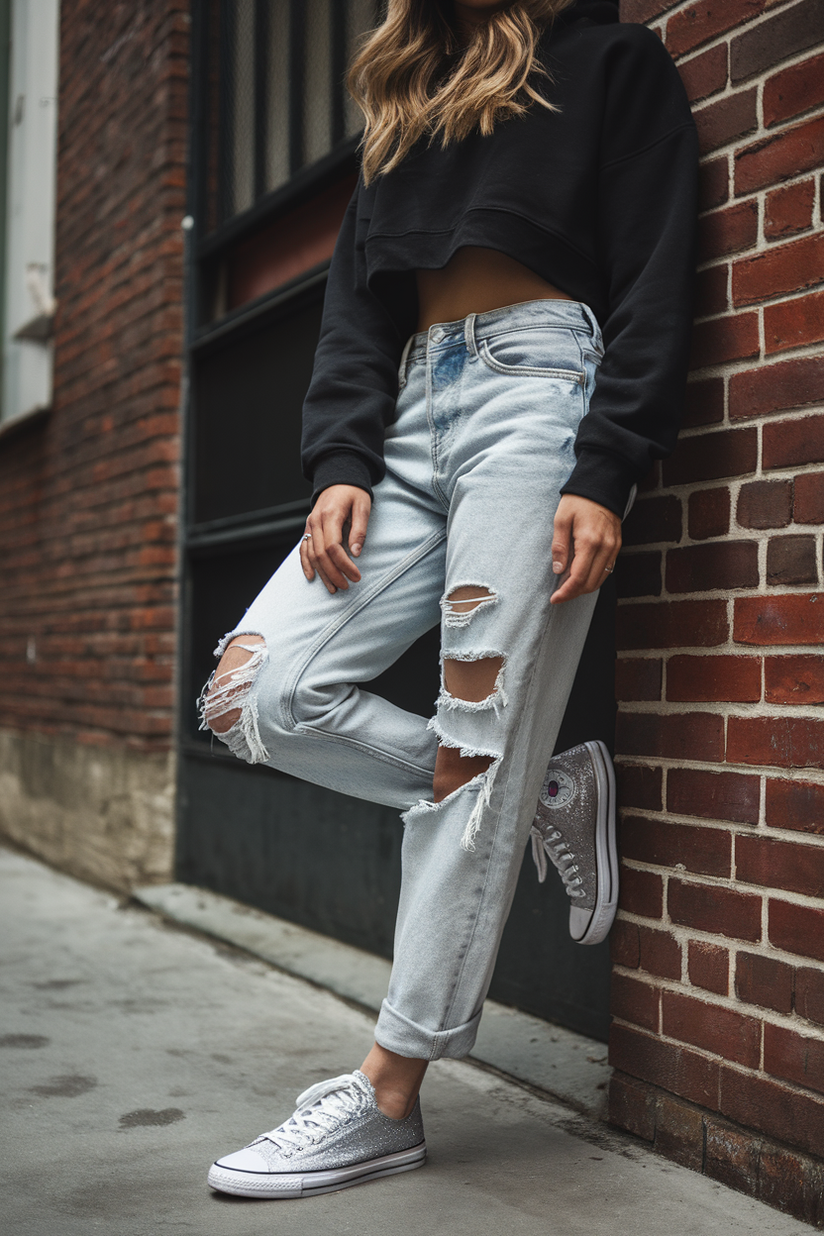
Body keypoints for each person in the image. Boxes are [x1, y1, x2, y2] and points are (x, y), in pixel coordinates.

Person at [201, 0, 697, 1201]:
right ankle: (538, 789)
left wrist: (606, 461)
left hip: (538, 397)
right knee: (248, 695)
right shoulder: (403, 103)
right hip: (406, 421)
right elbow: (353, 311)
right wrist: (337, 463)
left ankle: (385, 1093)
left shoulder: (606, 60)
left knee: (478, 744)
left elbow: (655, 266)